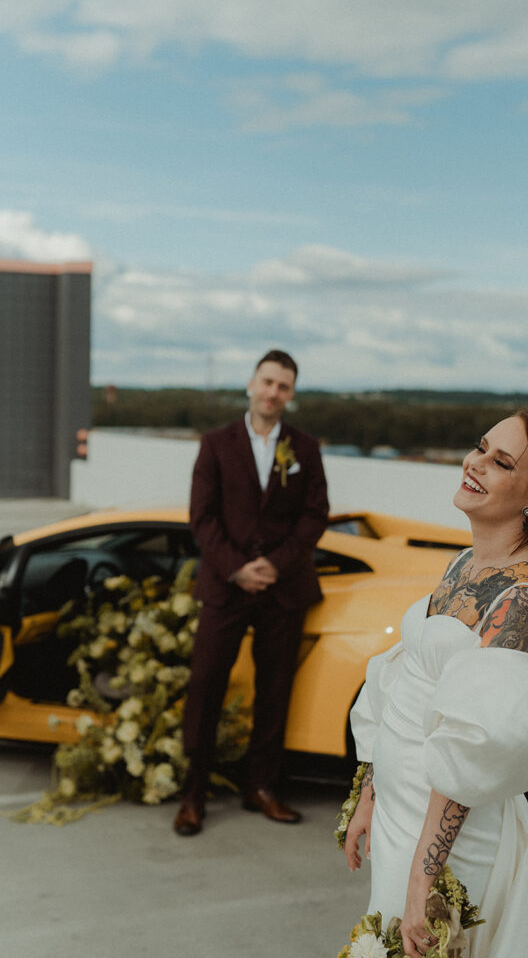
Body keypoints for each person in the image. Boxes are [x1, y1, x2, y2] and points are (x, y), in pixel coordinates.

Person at [343, 411, 528, 957]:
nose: (475, 463)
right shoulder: (464, 562)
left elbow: (472, 750)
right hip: (400, 808)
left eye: (501, 462)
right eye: (481, 447)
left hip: (449, 838)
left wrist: (420, 884)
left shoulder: (523, 601)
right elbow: (406, 680)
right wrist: (371, 794)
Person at [173, 349, 329, 836]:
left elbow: (314, 515)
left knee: (275, 691)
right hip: (225, 587)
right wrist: (238, 568)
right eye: (267, 382)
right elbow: (202, 517)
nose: (273, 392)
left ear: (291, 394)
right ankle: (193, 793)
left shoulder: (304, 447)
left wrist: (274, 566)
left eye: (283, 386)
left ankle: (261, 786)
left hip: (283, 589)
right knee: (205, 688)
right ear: (250, 384)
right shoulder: (216, 444)